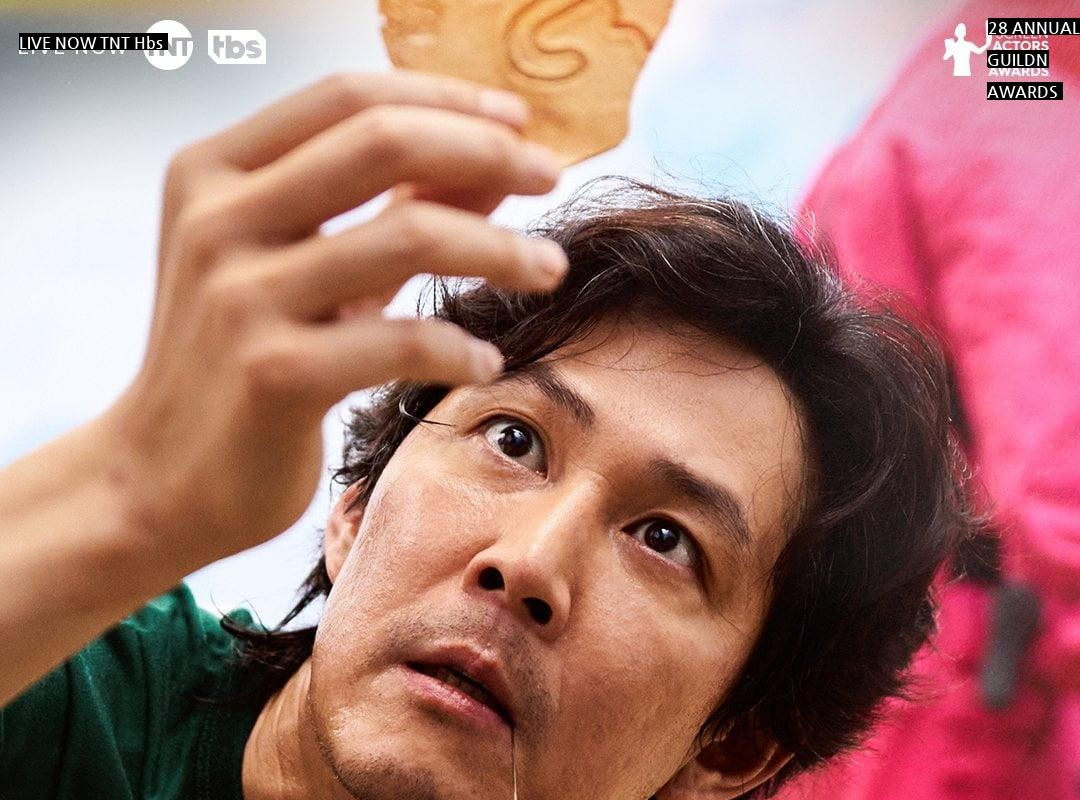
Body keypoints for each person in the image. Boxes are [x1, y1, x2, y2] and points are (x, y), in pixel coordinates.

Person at [0, 70, 978, 800]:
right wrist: (137, 492)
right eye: (513, 440)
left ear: (732, 744)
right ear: (354, 509)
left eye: (665, 539)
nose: (528, 563)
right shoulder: (62, 687)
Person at [775, 2, 1080, 799]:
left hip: (882, 659)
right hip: (960, 702)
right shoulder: (1030, 103)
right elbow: (1065, 479)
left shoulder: (996, 60)